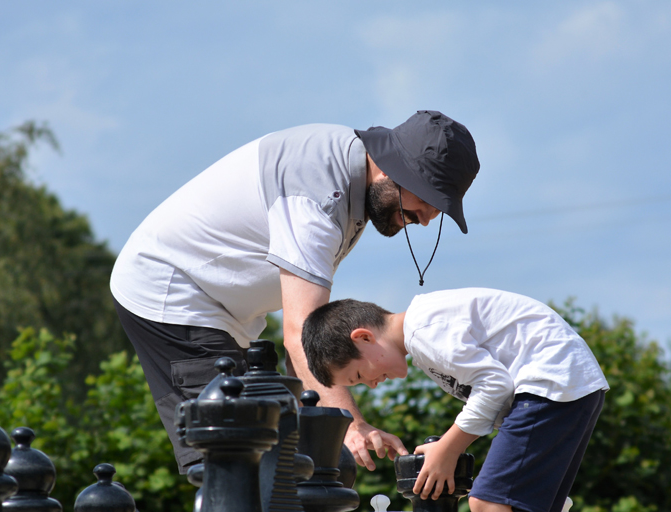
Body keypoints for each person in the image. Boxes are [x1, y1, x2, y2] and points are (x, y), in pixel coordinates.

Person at [110, 111, 480, 473]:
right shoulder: (319, 198)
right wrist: (349, 424)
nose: (430, 218)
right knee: (232, 457)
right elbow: (303, 335)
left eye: (440, 208)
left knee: (280, 452)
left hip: (224, 312)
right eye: (427, 200)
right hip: (173, 294)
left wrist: (321, 414)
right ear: (389, 168)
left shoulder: (352, 174)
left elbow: (307, 337)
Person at [301, 289, 609, 512]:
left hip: (551, 382)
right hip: (561, 383)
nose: (370, 384)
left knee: (488, 504)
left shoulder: (424, 330)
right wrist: (447, 446)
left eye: (357, 374)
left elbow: (495, 384)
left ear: (364, 337)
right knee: (498, 507)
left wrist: (448, 448)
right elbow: (492, 393)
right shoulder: (422, 338)